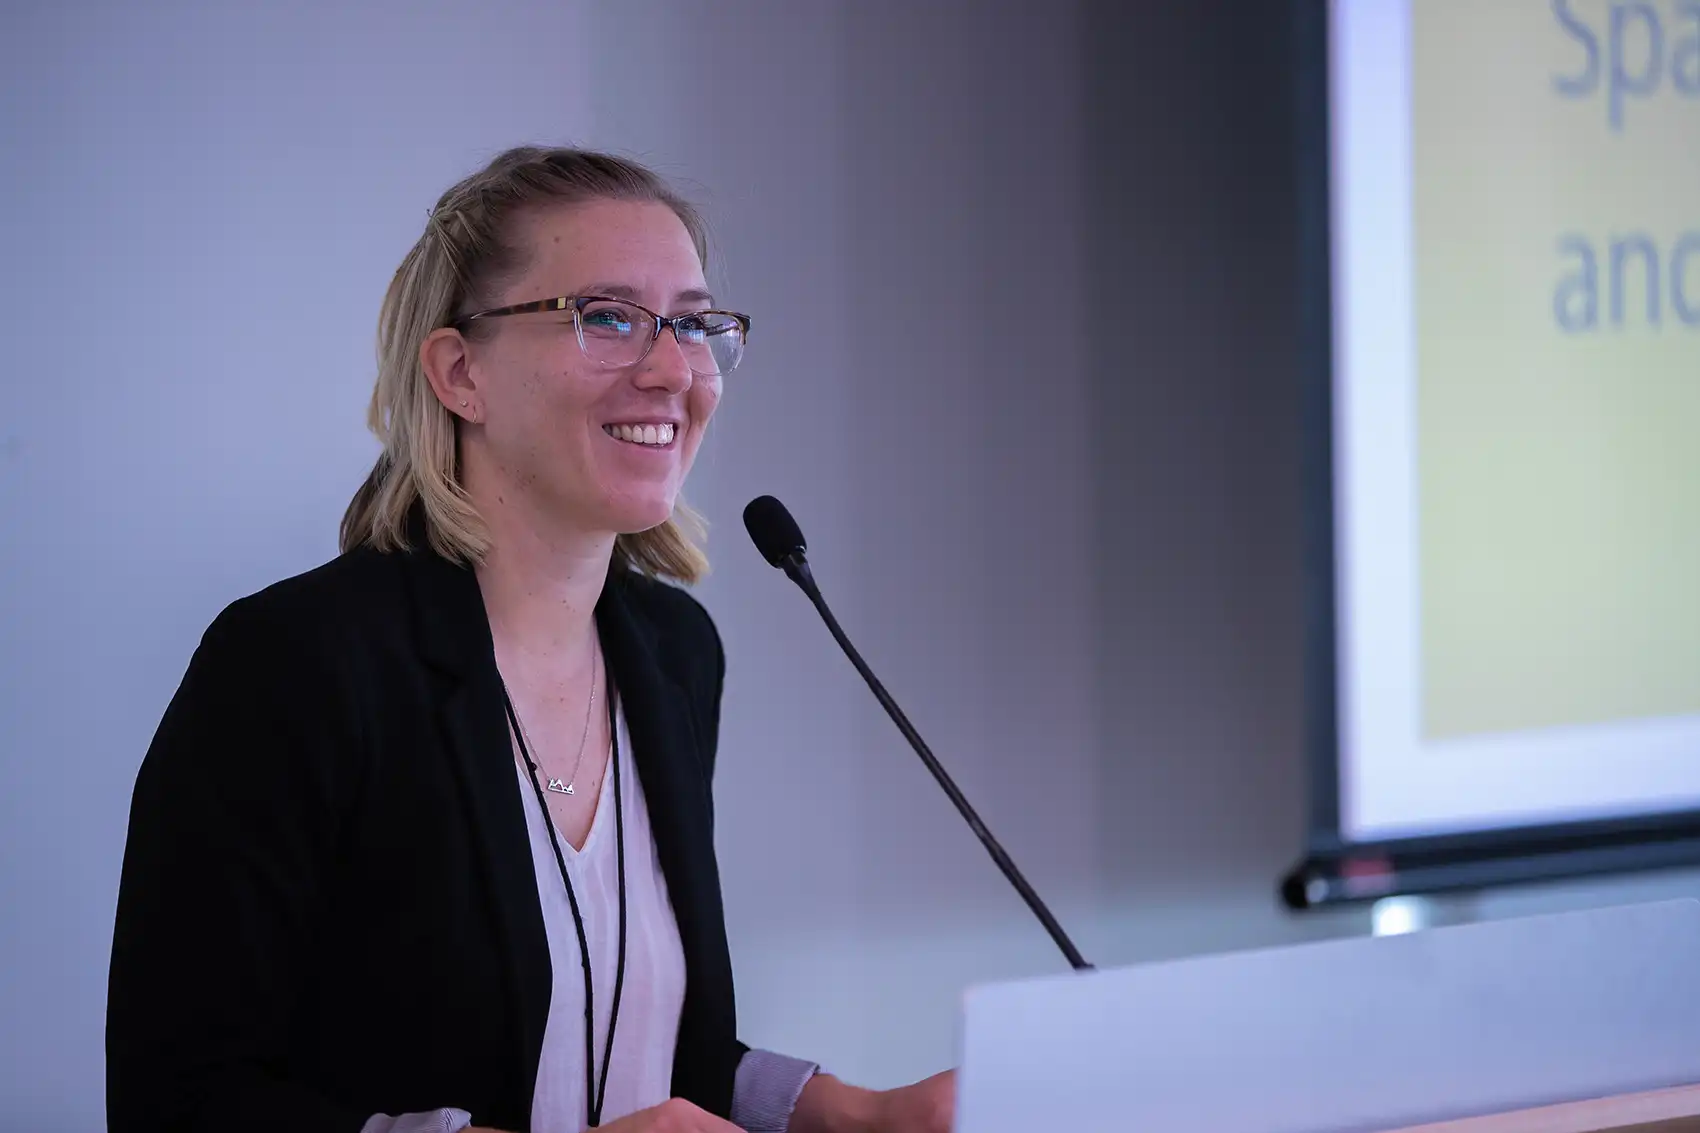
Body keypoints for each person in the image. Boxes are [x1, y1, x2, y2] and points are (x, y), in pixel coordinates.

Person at [105, 145, 954, 1133]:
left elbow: (623, 1037)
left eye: (692, 323)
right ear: (460, 371)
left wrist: (851, 1110)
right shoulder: (296, 663)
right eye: (605, 316)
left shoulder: (674, 653)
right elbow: (184, 1099)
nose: (671, 368)